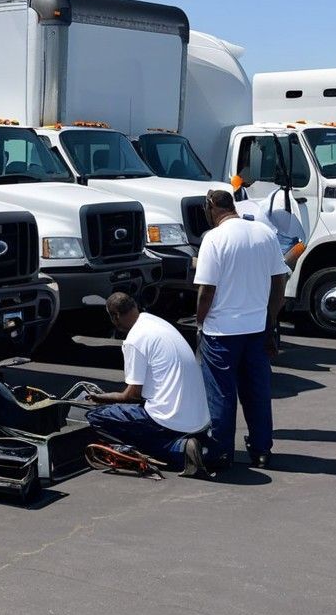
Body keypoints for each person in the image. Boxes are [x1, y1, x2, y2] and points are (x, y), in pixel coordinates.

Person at [195, 189, 289, 469]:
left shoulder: (214, 238)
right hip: (256, 328)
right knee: (257, 392)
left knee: (221, 394)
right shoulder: (263, 233)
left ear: (212, 207)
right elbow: (279, 283)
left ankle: (221, 452)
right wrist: (270, 320)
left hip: (222, 331)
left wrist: (199, 321)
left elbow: (206, 290)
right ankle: (261, 450)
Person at [84, 292, 212, 477]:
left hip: (169, 418)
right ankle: (191, 445)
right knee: (138, 414)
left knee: (97, 417)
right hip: (199, 417)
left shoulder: (135, 339)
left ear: (115, 316)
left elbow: (132, 395)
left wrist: (102, 398)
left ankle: (179, 449)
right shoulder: (155, 322)